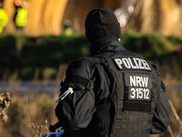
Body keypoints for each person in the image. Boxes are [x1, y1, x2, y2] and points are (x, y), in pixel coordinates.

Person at [51, 8, 171, 136]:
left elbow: (73, 120)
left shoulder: (88, 67)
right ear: (118, 34)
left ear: (89, 37)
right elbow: (161, 121)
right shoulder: (148, 67)